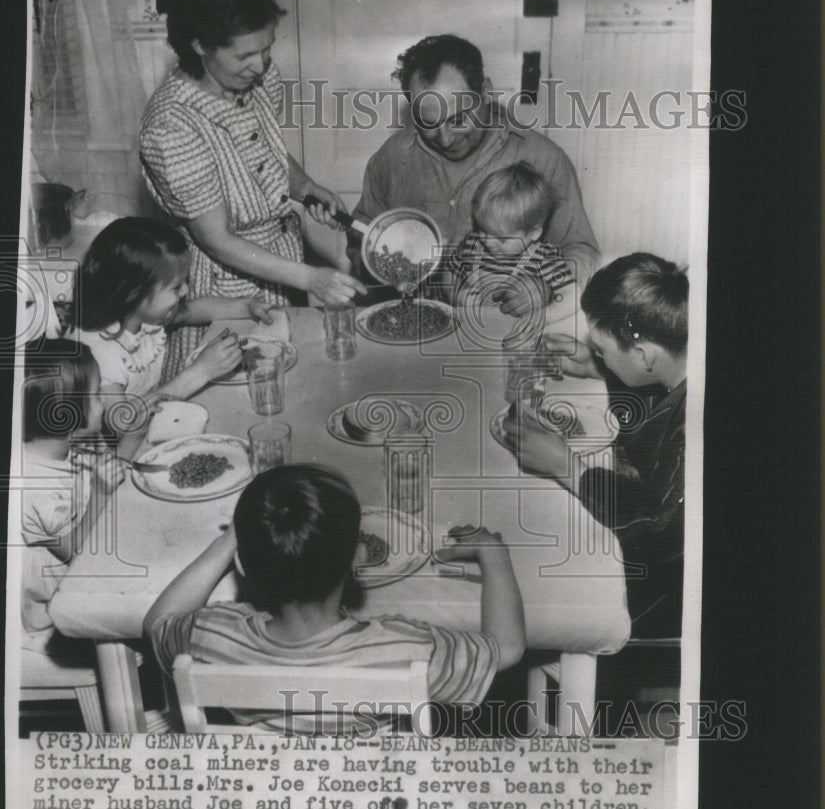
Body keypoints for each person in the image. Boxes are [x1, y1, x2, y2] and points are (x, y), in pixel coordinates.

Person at [144, 463, 525, 733]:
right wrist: (495, 556)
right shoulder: (405, 647)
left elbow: (158, 622)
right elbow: (506, 648)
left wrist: (233, 538)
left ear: (241, 563)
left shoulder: (214, 635)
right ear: (359, 557)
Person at [140, 0, 365, 378]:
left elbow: (265, 147)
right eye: (244, 55)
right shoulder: (171, 126)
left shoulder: (258, 78)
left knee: (290, 384)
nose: (260, 65)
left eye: (267, 49)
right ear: (199, 45)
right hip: (225, 289)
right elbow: (218, 239)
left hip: (282, 268)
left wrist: (304, 186)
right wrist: (311, 277)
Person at [504, 253, 687, 638]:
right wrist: (596, 364)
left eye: (601, 348)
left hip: (668, 593)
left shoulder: (695, 425)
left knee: (537, 584)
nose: (596, 352)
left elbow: (658, 534)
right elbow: (654, 385)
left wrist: (567, 467)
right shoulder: (681, 361)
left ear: (643, 356)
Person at [349, 34, 600, 309]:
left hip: (505, 328)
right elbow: (362, 233)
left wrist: (544, 287)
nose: (445, 139)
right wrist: (376, 261)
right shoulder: (392, 157)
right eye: (428, 123)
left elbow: (582, 251)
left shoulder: (542, 158)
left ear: (486, 93)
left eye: (458, 119)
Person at [71, 218, 270, 449]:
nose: (186, 290)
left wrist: (247, 306)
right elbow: (122, 423)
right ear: (134, 293)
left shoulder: (141, 315)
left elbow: (194, 310)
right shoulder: (99, 350)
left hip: (150, 429)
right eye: (176, 287)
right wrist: (202, 371)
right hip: (117, 455)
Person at [20, 339, 126, 653]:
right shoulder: (31, 488)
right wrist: (102, 490)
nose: (103, 403)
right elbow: (76, 553)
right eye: (95, 395)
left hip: (88, 569)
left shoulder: (64, 446)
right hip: (53, 619)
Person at [439, 161, 579, 327]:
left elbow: (574, 297)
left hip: (517, 336)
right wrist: (453, 294)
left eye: (502, 239)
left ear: (534, 233)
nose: (487, 241)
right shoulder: (472, 244)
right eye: (483, 229)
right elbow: (449, 270)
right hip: (473, 329)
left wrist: (541, 318)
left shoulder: (544, 257)